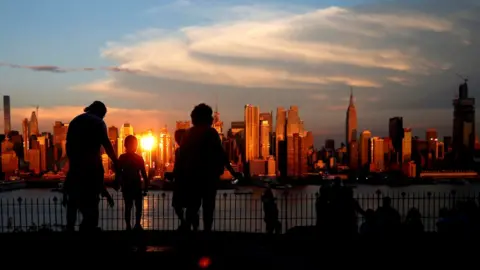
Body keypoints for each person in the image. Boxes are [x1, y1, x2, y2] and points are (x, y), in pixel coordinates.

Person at [179, 103, 241, 232]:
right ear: (206, 118)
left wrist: (180, 175)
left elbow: (182, 156)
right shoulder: (211, 133)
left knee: (192, 207)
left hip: (192, 177)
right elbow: (221, 154)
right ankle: (207, 234)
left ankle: (188, 233)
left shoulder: (188, 134)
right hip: (208, 177)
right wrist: (232, 172)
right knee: (208, 207)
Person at [64, 101, 118, 232]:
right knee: (92, 204)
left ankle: (70, 230)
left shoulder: (75, 121)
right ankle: (88, 232)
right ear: (101, 113)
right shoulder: (99, 123)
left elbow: (68, 147)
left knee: (73, 202)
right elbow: (107, 145)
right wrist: (116, 162)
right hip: (91, 169)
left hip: (75, 168)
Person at [116, 135, 149, 230]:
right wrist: (146, 186)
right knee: (136, 207)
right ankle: (136, 225)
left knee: (129, 206)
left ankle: (129, 226)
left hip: (128, 185)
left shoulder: (123, 157)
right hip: (134, 185)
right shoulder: (138, 158)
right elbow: (144, 174)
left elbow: (118, 172)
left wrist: (118, 183)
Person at [172, 129, 188, 230]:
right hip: (179, 181)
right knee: (177, 205)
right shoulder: (177, 151)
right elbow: (177, 166)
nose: (178, 140)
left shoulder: (192, 150)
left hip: (188, 181)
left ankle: (188, 225)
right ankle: (184, 222)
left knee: (190, 206)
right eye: (177, 138)